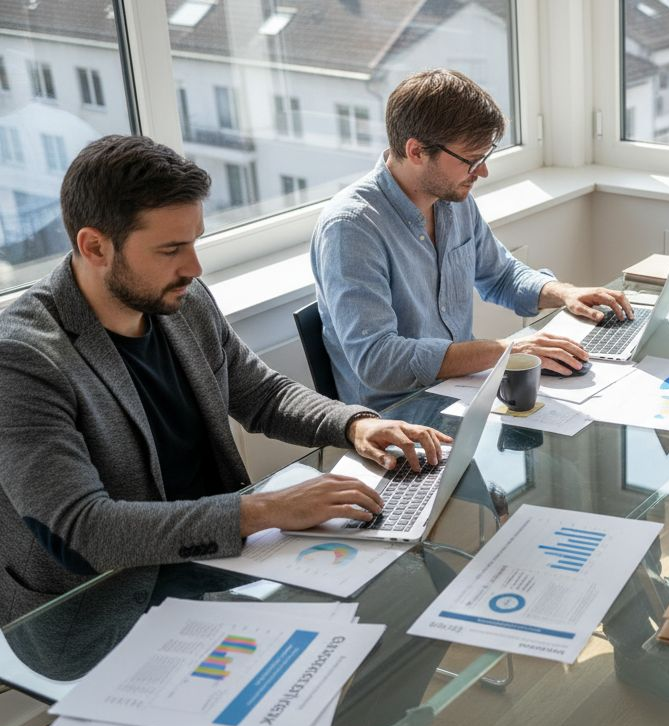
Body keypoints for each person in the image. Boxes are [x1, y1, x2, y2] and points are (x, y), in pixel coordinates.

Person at [0, 135, 452, 625]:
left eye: (194, 242)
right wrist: (265, 511)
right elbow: (82, 531)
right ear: (94, 246)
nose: (194, 268)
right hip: (102, 608)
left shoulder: (182, 300)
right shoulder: (22, 358)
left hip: (216, 564)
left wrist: (354, 425)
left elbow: (261, 394)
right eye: (171, 249)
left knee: (417, 589)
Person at [311, 69, 633, 411]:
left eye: (484, 157)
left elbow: (501, 276)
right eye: (471, 160)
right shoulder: (351, 228)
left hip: (465, 395)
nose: (481, 172)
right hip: (399, 420)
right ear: (417, 151)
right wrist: (506, 351)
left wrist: (565, 293)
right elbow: (378, 361)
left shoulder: (449, 199)